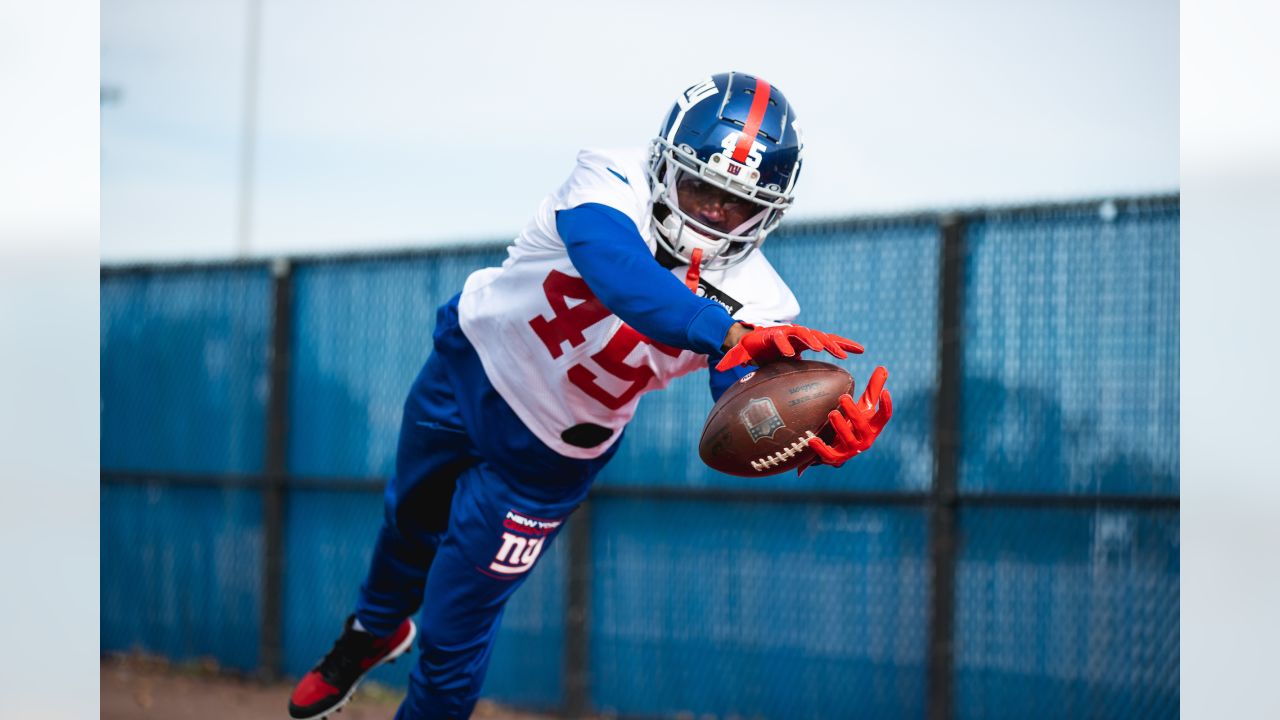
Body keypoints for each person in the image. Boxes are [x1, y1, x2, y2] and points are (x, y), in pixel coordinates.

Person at [287, 71, 892, 720]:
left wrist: (799, 427)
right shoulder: (610, 177)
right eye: (701, 186)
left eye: (736, 203)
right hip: (468, 368)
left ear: (767, 213)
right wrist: (727, 330)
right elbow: (616, 269)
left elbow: (741, 387)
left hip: (545, 458)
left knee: (456, 628)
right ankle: (371, 634)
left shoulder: (764, 300)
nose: (714, 213)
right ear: (665, 164)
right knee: (407, 522)